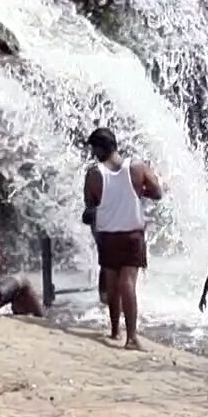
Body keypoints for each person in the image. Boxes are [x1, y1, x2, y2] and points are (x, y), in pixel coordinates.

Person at [83, 127, 164, 350]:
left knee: (112, 282)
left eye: (94, 149)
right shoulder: (137, 167)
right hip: (131, 234)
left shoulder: (94, 174)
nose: (93, 154)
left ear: (100, 148)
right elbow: (157, 192)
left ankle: (114, 331)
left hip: (107, 234)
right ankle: (132, 338)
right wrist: (138, 191)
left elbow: (90, 205)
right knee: (127, 283)